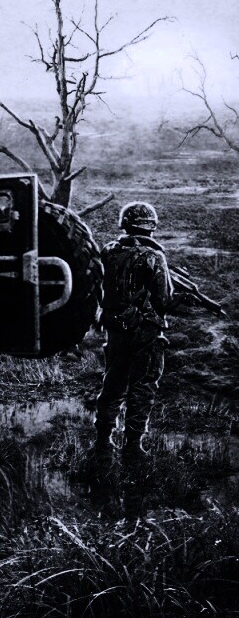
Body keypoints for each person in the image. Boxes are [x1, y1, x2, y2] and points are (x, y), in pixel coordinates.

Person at [92, 201, 173, 473]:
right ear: (151, 226)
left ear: (125, 224)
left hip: (116, 330)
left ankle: (103, 440)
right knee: (143, 386)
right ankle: (133, 446)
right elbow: (163, 300)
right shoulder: (154, 256)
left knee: (112, 384)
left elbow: (101, 288)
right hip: (145, 334)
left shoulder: (108, 251)